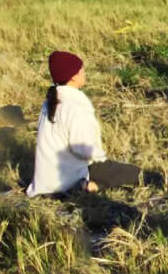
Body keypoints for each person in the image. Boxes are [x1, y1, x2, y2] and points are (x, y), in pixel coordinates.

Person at [29, 51, 141, 196]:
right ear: (74, 76)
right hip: (67, 177)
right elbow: (83, 149)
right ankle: (85, 186)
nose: (84, 73)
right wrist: (102, 160)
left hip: (44, 181)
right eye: (82, 69)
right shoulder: (74, 106)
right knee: (137, 174)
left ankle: (93, 186)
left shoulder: (50, 102)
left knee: (112, 173)